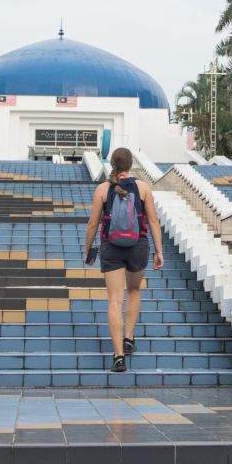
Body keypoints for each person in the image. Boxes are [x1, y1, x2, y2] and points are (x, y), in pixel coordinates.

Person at [84, 147, 164, 373]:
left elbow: (93, 223)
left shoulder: (102, 189)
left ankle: (118, 357)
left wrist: (88, 249)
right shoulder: (143, 188)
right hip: (138, 246)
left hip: (111, 247)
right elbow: (153, 221)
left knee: (114, 301)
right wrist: (159, 251)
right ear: (130, 165)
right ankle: (129, 337)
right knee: (134, 290)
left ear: (112, 164)